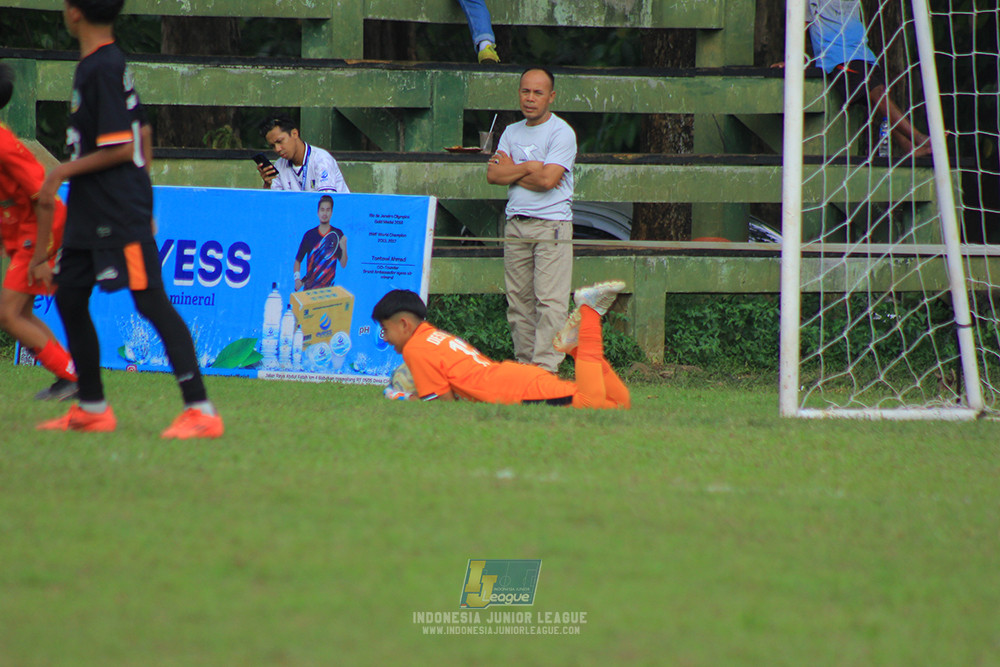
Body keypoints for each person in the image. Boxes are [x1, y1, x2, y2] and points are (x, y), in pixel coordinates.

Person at [32, 0, 223, 438]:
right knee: (70, 297)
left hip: (116, 211)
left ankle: (201, 410)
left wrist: (60, 172)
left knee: (150, 301)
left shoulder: (102, 66)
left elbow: (122, 147)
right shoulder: (104, 64)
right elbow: (145, 130)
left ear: (75, 12)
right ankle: (93, 407)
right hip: (90, 209)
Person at [371, 281, 630, 409]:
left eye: (385, 330)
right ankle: (574, 347)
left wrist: (405, 398)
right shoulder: (433, 336)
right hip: (517, 377)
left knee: (590, 403)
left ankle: (590, 312)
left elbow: (442, 406)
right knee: (618, 404)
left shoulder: (415, 348)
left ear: (404, 324)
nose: (385, 338)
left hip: (514, 391)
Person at [486, 67, 577, 373]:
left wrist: (515, 167)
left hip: (552, 226)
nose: (530, 98)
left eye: (538, 92)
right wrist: (529, 168)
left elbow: (549, 180)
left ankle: (545, 370)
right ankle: (526, 369)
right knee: (518, 303)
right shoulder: (511, 132)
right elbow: (493, 174)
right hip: (516, 225)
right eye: (525, 91)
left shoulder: (561, 132)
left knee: (550, 303)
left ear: (551, 96)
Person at [0, 63, 79, 401]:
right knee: (21, 313)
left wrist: (39, 255)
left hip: (42, 227)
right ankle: (72, 374)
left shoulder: (3, 144)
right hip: (27, 230)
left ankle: (71, 379)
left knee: (7, 314)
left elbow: (44, 196)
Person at [790, 0, 932, 157]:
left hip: (863, 54)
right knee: (877, 94)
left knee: (879, 100)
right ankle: (918, 137)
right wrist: (792, 58)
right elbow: (800, 27)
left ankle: (908, 146)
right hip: (838, 58)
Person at [256, 116, 350, 193]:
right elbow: (275, 206)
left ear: (295, 133)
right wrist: (268, 186)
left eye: (280, 141)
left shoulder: (321, 159)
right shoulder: (279, 165)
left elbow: (326, 202)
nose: (277, 149)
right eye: (272, 146)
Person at [294, 194, 348, 291]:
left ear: (331, 212)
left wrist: (344, 248)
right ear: (318, 212)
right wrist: (297, 279)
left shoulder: (338, 234)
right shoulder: (309, 235)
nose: (325, 213)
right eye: (322, 210)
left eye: (328, 210)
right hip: (309, 290)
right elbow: (298, 261)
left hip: (328, 292)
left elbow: (343, 264)